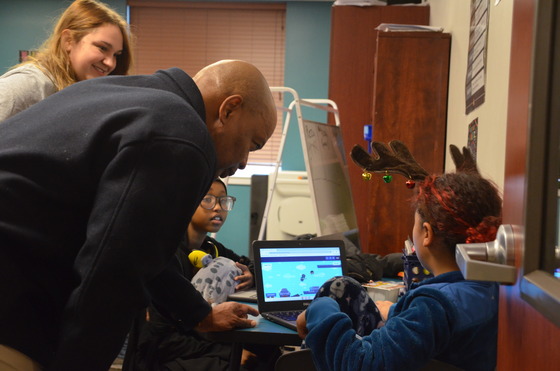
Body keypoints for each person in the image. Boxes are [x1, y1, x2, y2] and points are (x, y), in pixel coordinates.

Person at [0, 59, 277, 371]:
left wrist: (200, 314)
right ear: (228, 109)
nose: (243, 162)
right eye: (252, 144)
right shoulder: (182, 135)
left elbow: (139, 247)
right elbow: (113, 274)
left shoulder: (119, 93)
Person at [296, 171, 502, 371]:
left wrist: (320, 311)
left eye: (415, 224)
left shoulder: (433, 307)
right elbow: (437, 326)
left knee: (331, 294)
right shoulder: (493, 289)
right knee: (344, 287)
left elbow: (360, 363)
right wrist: (396, 310)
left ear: (427, 234)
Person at [124, 179, 278, 370]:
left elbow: (249, 263)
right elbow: (162, 341)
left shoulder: (211, 248)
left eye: (224, 201)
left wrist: (252, 275)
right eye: (208, 199)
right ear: (187, 201)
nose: (218, 208)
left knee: (270, 353)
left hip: (199, 341)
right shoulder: (166, 259)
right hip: (164, 354)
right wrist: (229, 353)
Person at [0, 0, 133, 122]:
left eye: (116, 55)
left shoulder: (80, 92)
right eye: (102, 48)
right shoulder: (26, 85)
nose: (110, 63)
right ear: (68, 40)